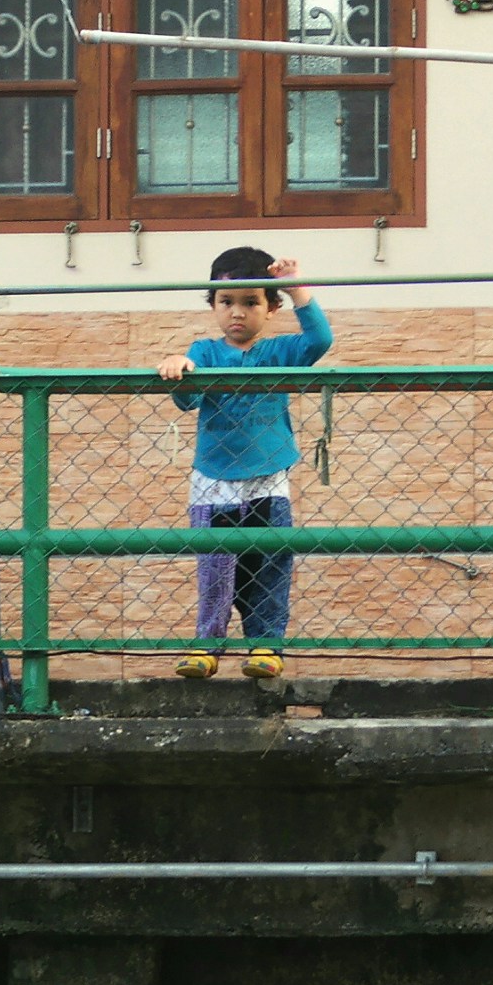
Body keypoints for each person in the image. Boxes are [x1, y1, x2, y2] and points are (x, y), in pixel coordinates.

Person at [156, 247, 333, 678]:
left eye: (251, 302)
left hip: (267, 477)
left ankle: (266, 646)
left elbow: (319, 340)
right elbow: (187, 400)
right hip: (213, 478)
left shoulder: (279, 352)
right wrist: (179, 368)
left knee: (269, 563)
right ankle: (208, 646)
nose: (237, 312)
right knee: (215, 568)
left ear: (271, 307)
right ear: (213, 304)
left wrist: (296, 289)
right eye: (226, 301)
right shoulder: (204, 352)